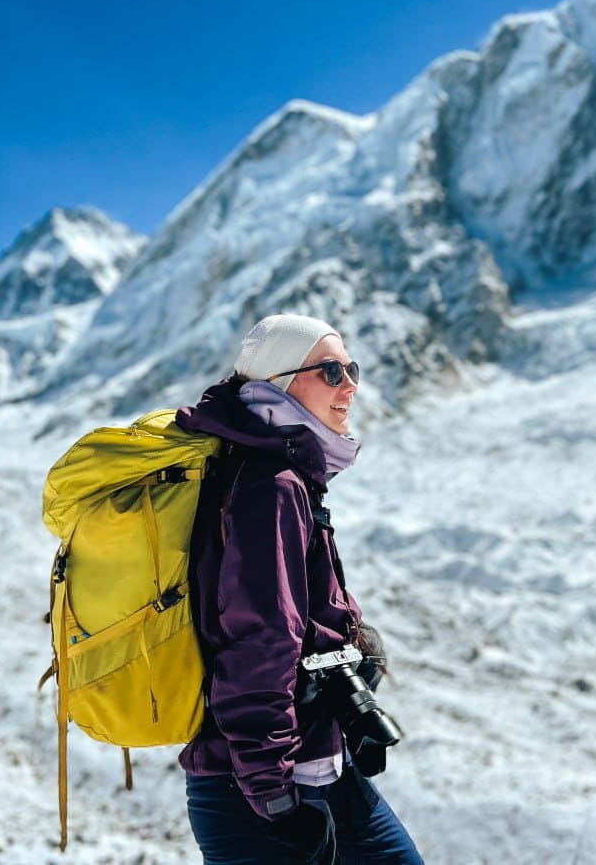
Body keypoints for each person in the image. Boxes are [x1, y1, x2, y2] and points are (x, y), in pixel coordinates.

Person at [177, 314, 425, 865]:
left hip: (312, 764)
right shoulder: (271, 487)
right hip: (257, 789)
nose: (350, 385)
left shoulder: (286, 473)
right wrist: (274, 797)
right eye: (331, 370)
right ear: (277, 383)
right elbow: (259, 642)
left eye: (351, 369)